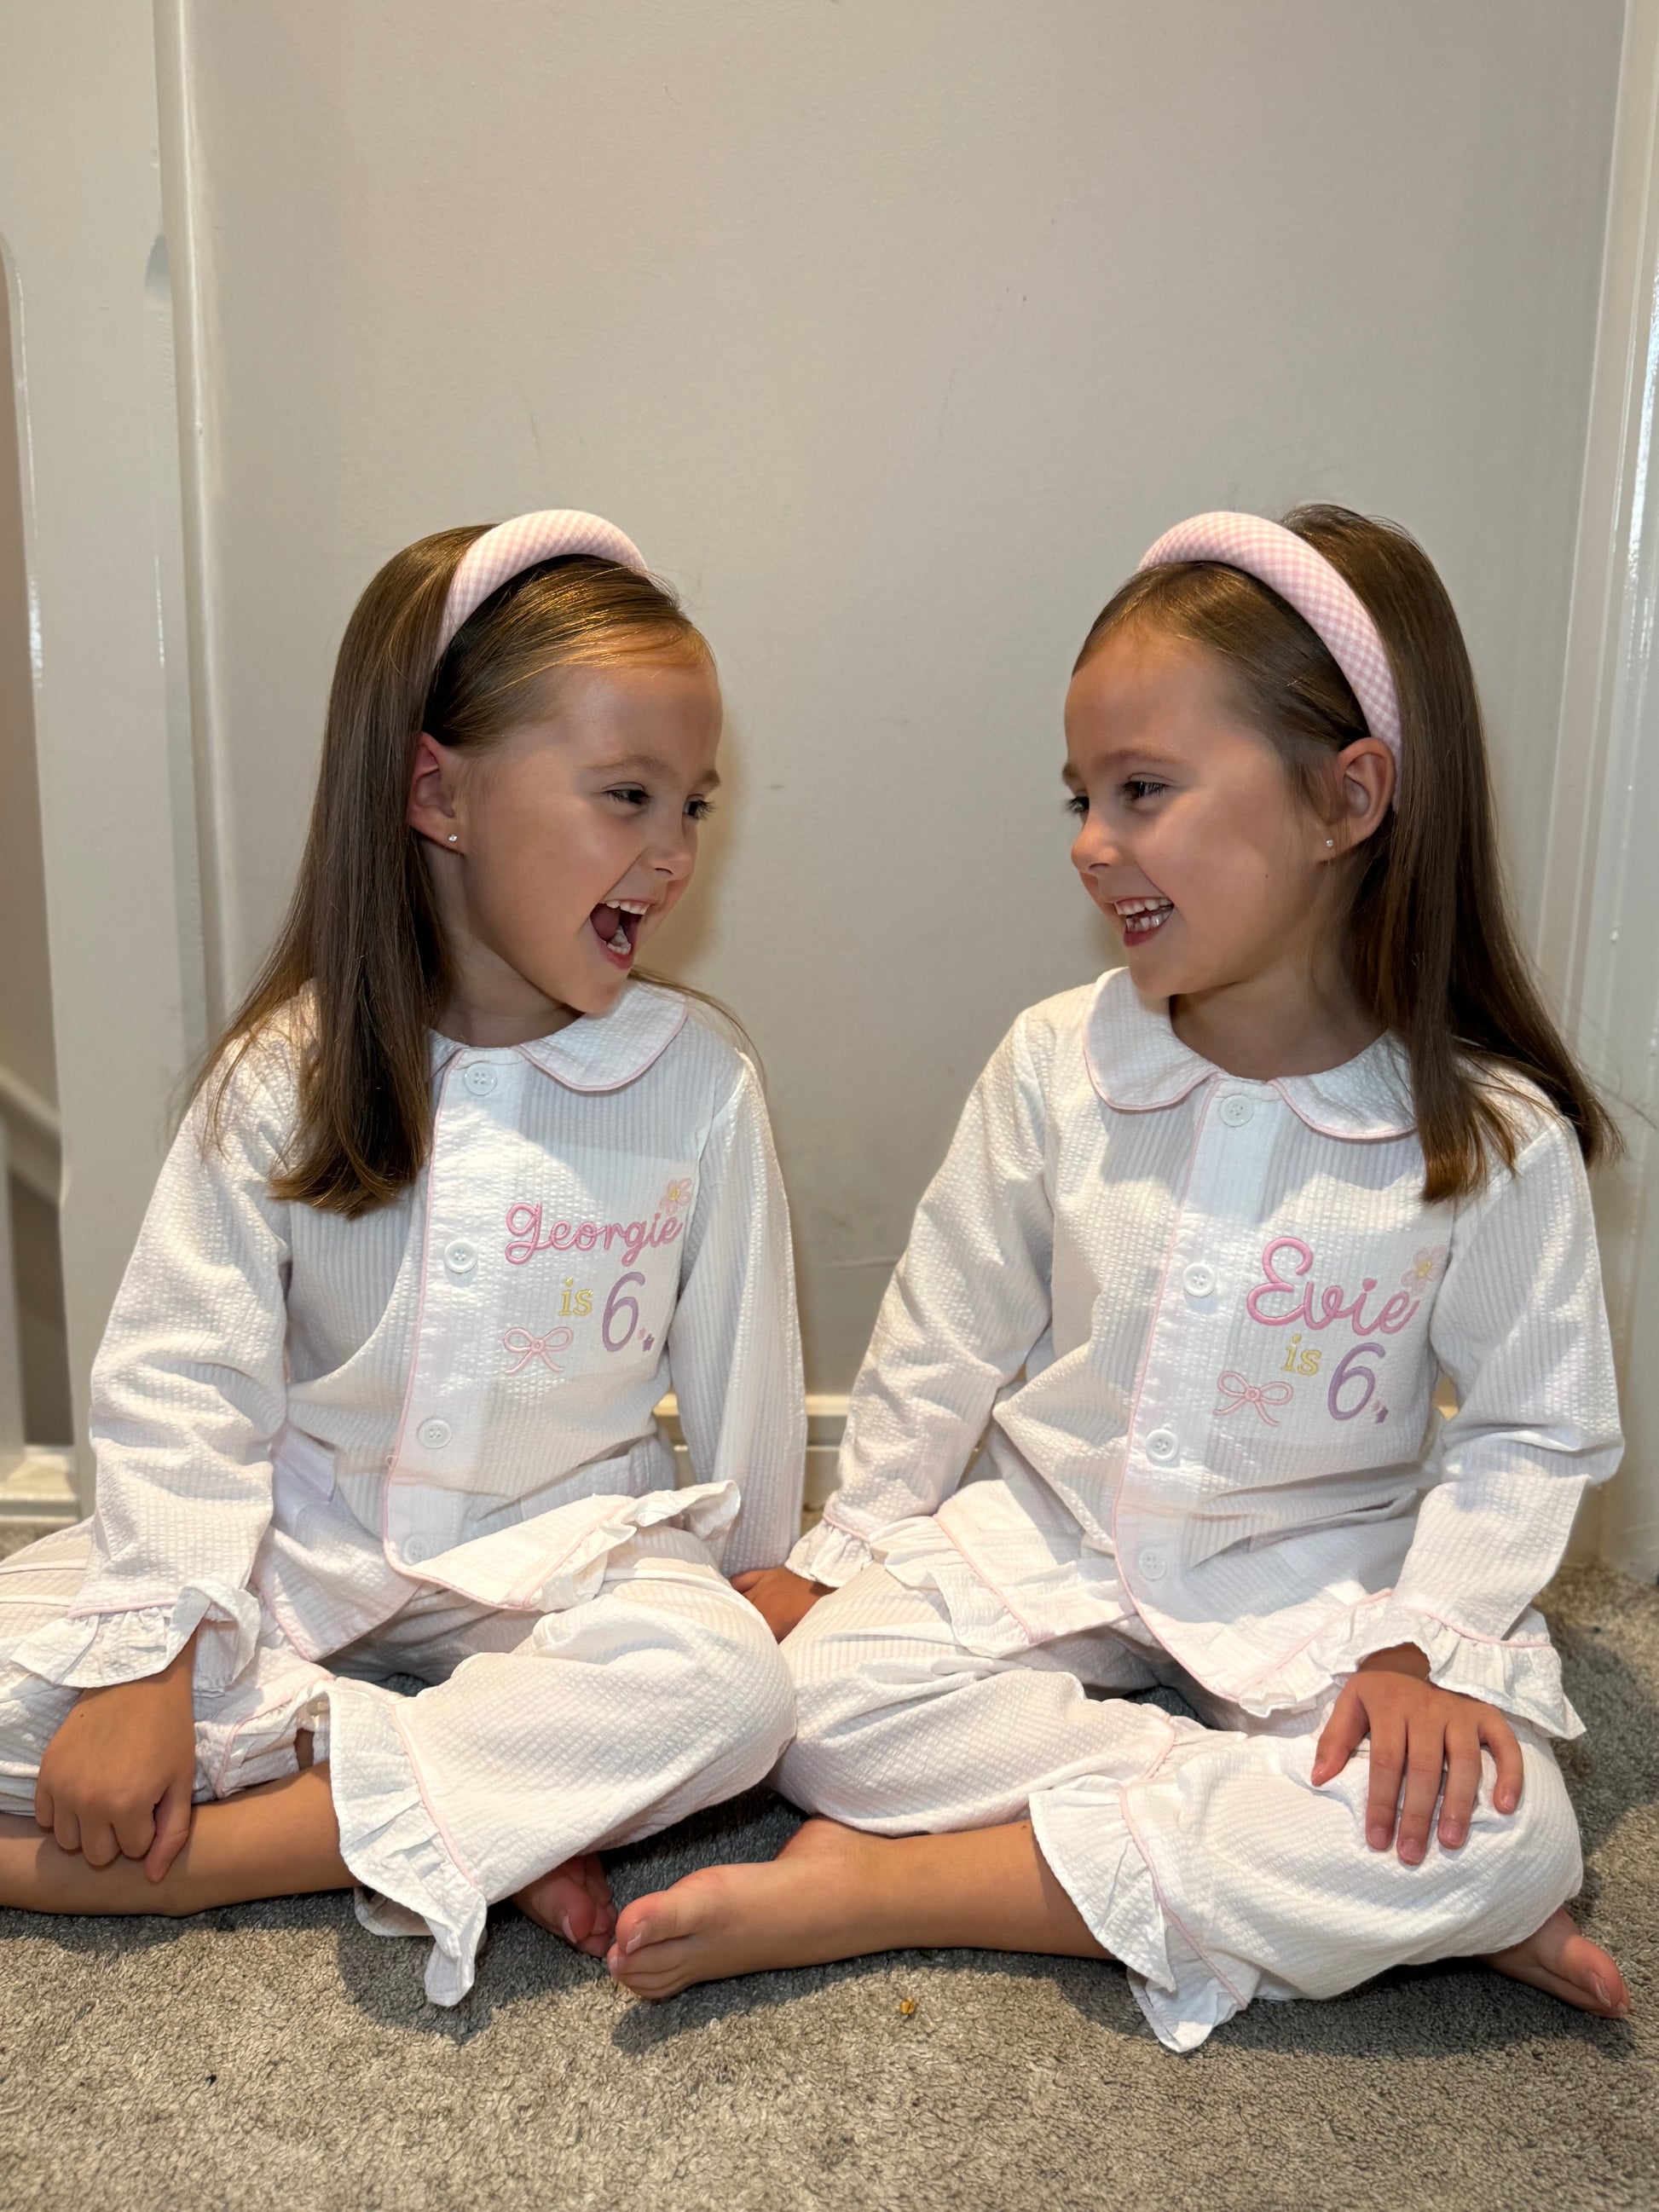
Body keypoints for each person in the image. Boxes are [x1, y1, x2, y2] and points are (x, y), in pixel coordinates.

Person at [611, 505, 1631, 2049]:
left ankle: (898, 1889)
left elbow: (1528, 1436)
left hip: (1320, 1593)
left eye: (1142, 791)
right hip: (1054, 1539)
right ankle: (1290, 1867)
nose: (1094, 842)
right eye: (1082, 796)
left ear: (1346, 798)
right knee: (806, 1706)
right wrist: (847, 1546)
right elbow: (946, 1332)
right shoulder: (1057, 1061)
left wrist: (1424, 1643)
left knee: (1513, 1832)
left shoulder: (1486, 1137)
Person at [0, 511, 801, 2005]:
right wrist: (151, 1663)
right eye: (627, 795)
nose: (674, 853)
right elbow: (184, 1383)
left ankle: (233, 1851)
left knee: (730, 1694)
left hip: (562, 1564)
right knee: (44, 1673)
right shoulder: (280, 1077)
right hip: (299, 1551)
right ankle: (486, 1805)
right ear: (439, 794)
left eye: (693, 804)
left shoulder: (695, 1080)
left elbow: (746, 1363)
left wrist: (758, 1567)